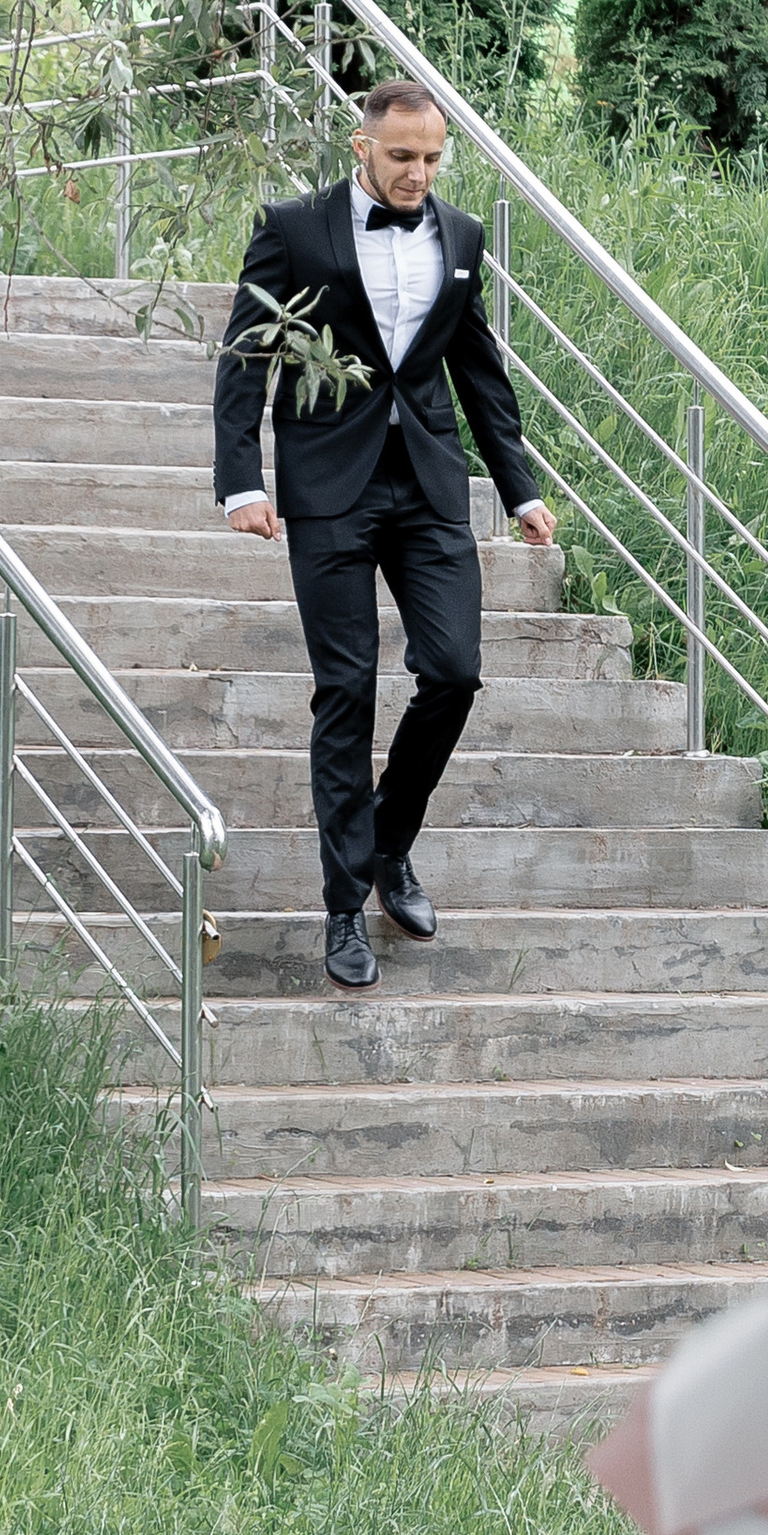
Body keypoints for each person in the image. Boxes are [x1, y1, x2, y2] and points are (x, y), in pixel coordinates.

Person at [212, 78, 554, 992]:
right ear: (361, 146)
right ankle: (341, 910)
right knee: (347, 687)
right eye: (402, 156)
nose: (417, 174)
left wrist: (518, 489)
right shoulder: (293, 228)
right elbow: (246, 354)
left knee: (453, 670)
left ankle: (387, 842)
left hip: (429, 482)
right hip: (328, 483)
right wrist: (241, 480)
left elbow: (480, 371)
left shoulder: (463, 237)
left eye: (432, 159)